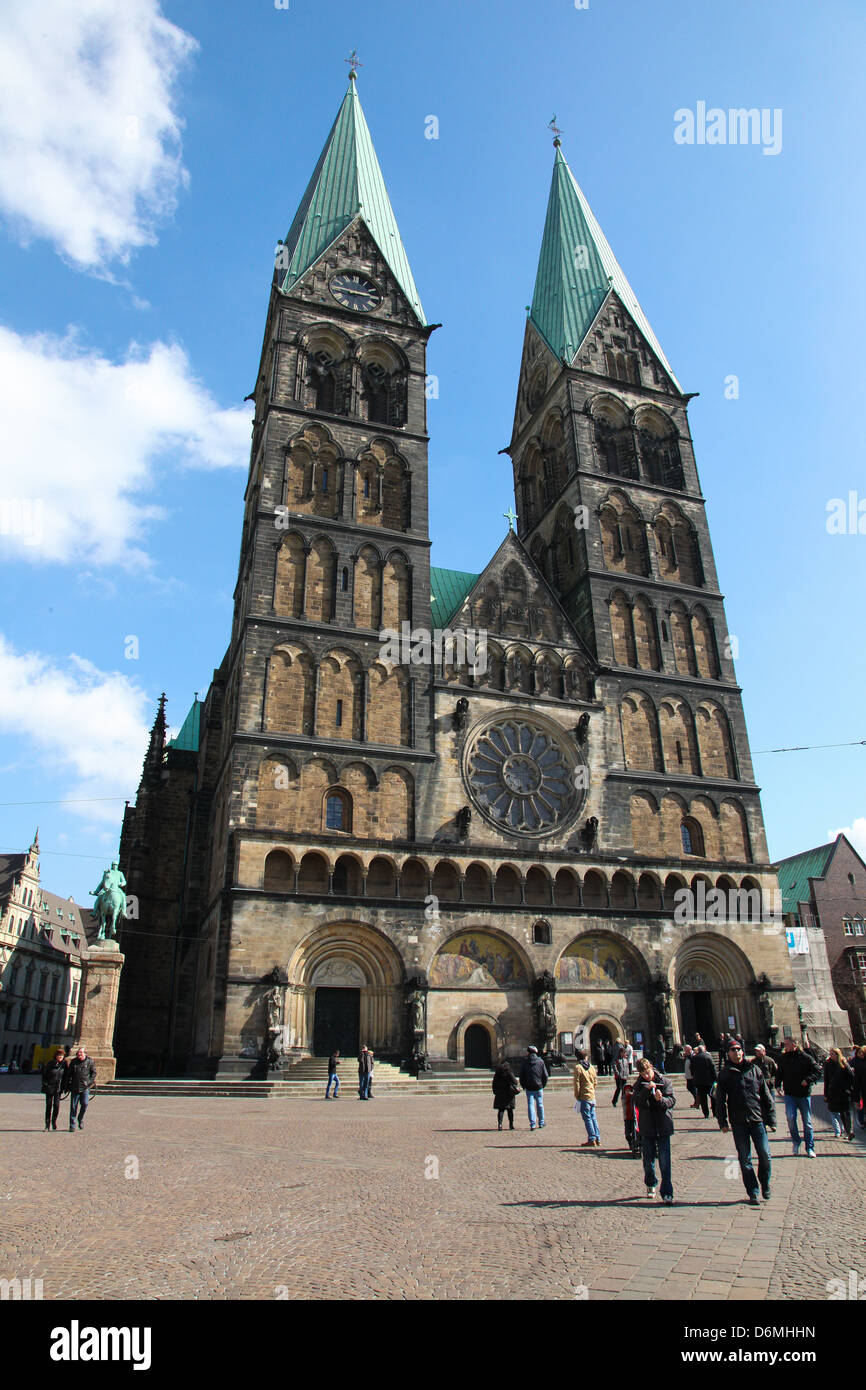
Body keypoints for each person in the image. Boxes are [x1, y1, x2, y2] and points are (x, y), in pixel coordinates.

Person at [715, 1039, 776, 1205]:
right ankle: (753, 1191)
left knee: (765, 1154)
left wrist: (771, 1118)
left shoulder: (754, 1069)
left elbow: (766, 1095)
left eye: (739, 1049)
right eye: (733, 1050)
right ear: (728, 1053)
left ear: (743, 1051)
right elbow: (720, 1100)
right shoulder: (725, 1074)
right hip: (738, 1121)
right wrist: (722, 1122)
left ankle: (765, 1182)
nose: (737, 1052)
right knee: (745, 1158)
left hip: (757, 1119)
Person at [633, 1056, 676, 1203]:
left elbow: (671, 1101)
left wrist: (661, 1099)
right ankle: (651, 1183)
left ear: (651, 1067)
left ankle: (667, 1192)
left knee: (665, 1161)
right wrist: (645, 1091)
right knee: (648, 1160)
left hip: (663, 1126)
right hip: (647, 1127)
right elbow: (637, 1103)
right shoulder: (639, 1085)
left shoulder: (665, 1082)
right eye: (643, 1074)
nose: (646, 1075)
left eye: (647, 1072)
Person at [777, 1037, 822, 1156]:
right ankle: (796, 1141)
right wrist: (777, 1085)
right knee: (791, 1119)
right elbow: (779, 1072)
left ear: (794, 1045)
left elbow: (817, 1070)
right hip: (790, 1094)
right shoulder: (783, 1058)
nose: (784, 1046)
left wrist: (808, 1080)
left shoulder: (805, 1057)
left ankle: (810, 1148)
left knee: (807, 1122)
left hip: (803, 1094)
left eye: (787, 1044)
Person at [823, 1047, 856, 1140]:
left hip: (844, 1093)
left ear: (838, 1054)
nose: (831, 1055)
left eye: (833, 1054)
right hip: (833, 1092)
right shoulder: (828, 1064)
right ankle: (844, 1131)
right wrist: (825, 1094)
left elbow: (851, 1077)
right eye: (830, 1053)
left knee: (846, 1112)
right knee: (839, 1112)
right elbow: (826, 1080)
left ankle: (849, 1131)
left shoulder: (843, 1064)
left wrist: (850, 1089)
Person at [573, 1048, 600, 1148]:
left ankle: (592, 1138)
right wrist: (593, 1090)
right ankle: (597, 1138)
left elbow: (577, 1084)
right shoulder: (591, 1067)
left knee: (588, 1118)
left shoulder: (578, 1068)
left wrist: (577, 1095)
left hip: (584, 1096)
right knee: (593, 1117)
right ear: (586, 1057)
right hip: (592, 1096)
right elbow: (595, 1081)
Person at [64, 1046, 95, 1131]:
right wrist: (67, 1086)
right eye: (78, 1053)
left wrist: (89, 1082)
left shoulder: (90, 1061)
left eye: (81, 1053)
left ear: (85, 1053)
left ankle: (80, 1118)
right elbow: (68, 1075)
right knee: (73, 1106)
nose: (79, 1054)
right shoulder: (73, 1062)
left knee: (85, 1104)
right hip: (75, 1087)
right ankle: (72, 1125)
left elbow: (93, 1073)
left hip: (85, 1087)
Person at [519, 1045, 549, 1131]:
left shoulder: (525, 1062)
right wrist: (542, 1085)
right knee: (540, 1104)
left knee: (530, 1105)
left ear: (528, 1052)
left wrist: (524, 1085)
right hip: (539, 1086)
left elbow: (522, 1076)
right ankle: (541, 1122)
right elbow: (545, 1075)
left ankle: (532, 1124)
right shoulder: (540, 1061)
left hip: (529, 1087)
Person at [41, 1048, 67, 1131]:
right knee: (48, 1106)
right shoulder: (50, 1064)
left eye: (62, 1055)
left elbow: (66, 1076)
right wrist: (46, 1085)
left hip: (58, 1088)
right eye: (59, 1055)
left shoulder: (64, 1065)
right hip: (49, 1087)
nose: (60, 1057)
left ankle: (54, 1122)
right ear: (56, 1056)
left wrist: (65, 1087)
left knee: (56, 1106)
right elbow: (44, 1075)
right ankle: (47, 1124)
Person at [492, 1059, 519, 1131]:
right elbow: (515, 1082)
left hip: (500, 1093)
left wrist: (495, 1091)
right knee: (510, 1110)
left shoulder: (497, 1073)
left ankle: (500, 1125)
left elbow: (494, 1083)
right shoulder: (509, 1072)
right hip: (509, 1093)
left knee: (501, 1110)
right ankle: (511, 1125)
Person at [690, 1044, 717, 1118]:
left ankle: (706, 1113)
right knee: (713, 1097)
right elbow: (713, 1068)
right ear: (704, 1050)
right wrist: (716, 1079)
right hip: (710, 1081)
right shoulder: (708, 1057)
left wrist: (694, 1076)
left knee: (703, 1098)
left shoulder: (694, 1058)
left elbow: (691, 1069)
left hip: (699, 1082)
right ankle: (715, 1112)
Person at [853, 1044, 866, 1130]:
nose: (861, 1054)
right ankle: (861, 1121)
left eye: (862, 1052)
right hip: (859, 1087)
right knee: (860, 1105)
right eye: (859, 1052)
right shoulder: (854, 1062)